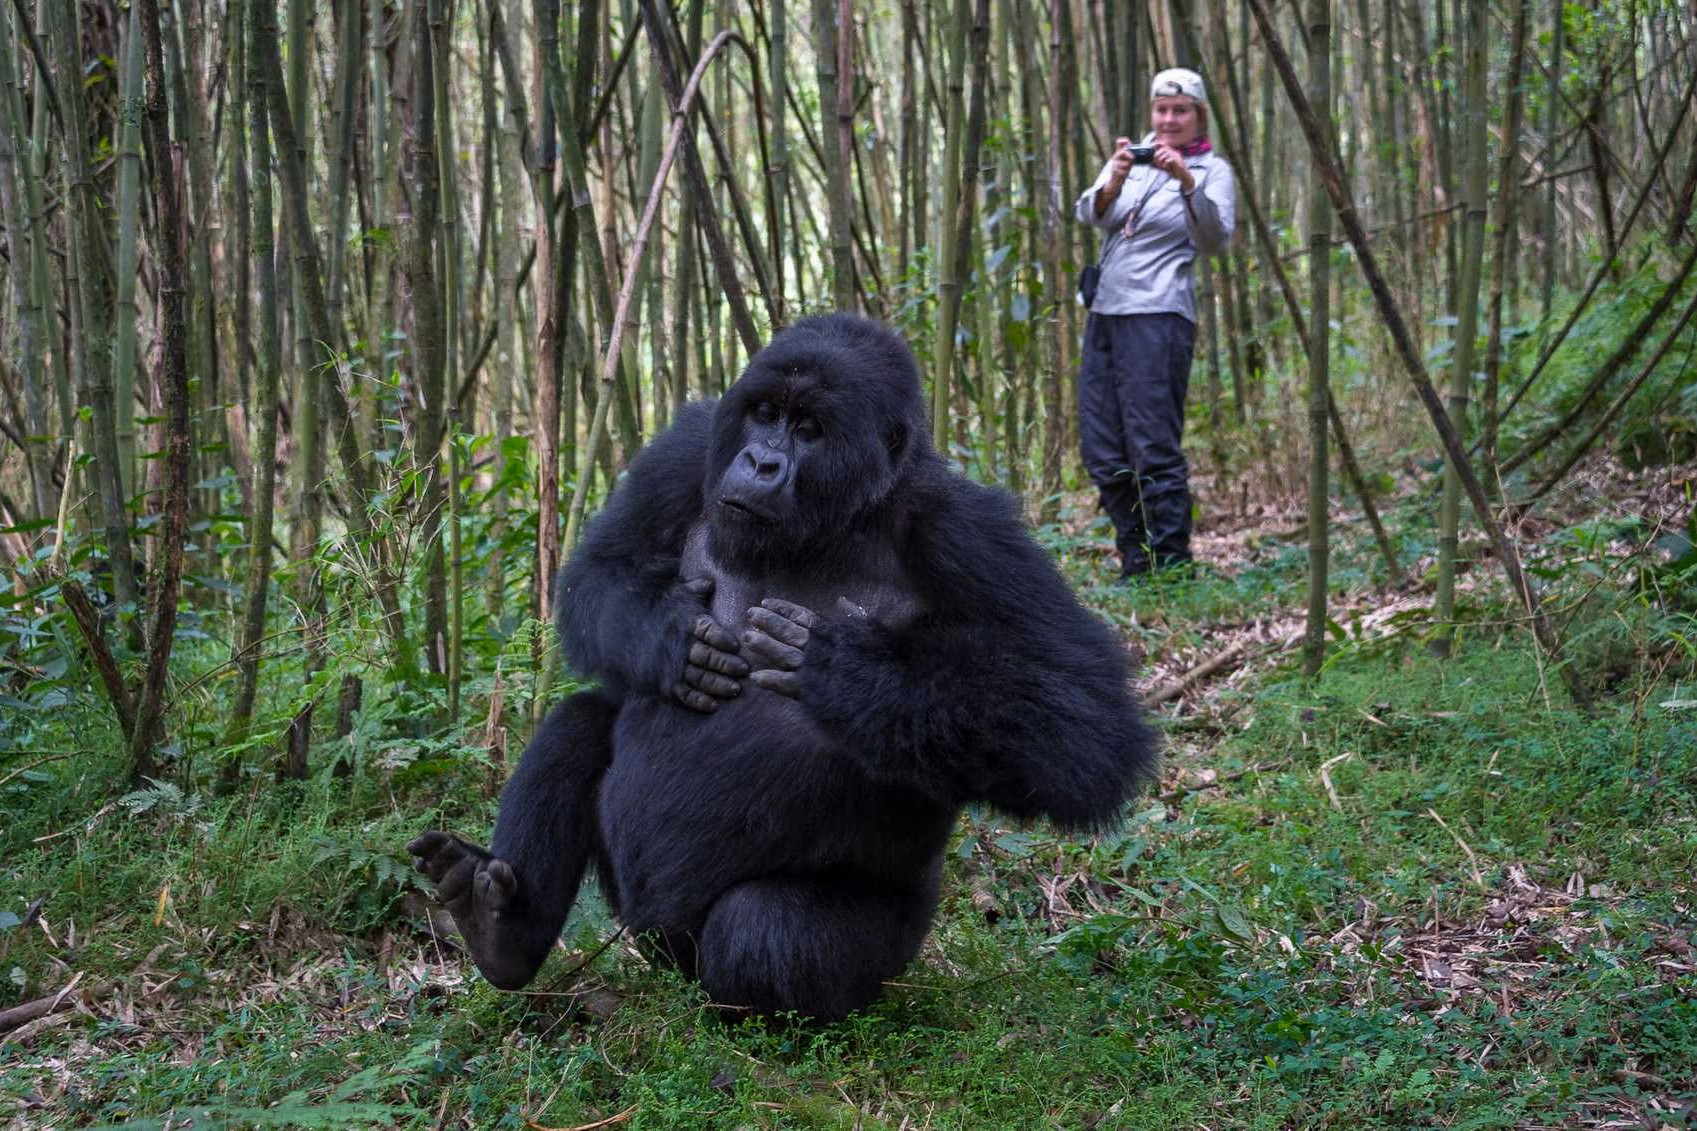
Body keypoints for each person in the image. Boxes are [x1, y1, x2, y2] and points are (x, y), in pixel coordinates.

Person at [1074, 67, 1236, 578]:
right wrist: (1118, 175)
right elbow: (1092, 213)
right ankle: (1136, 559)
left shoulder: (1214, 171)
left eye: (1180, 111)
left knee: (1152, 446)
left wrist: (1187, 182)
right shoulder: (1134, 159)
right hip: (1106, 313)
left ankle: (1172, 563)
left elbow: (1213, 240)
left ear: (1198, 116)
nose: (1169, 120)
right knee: (1102, 447)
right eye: (1161, 110)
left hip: (1159, 316)